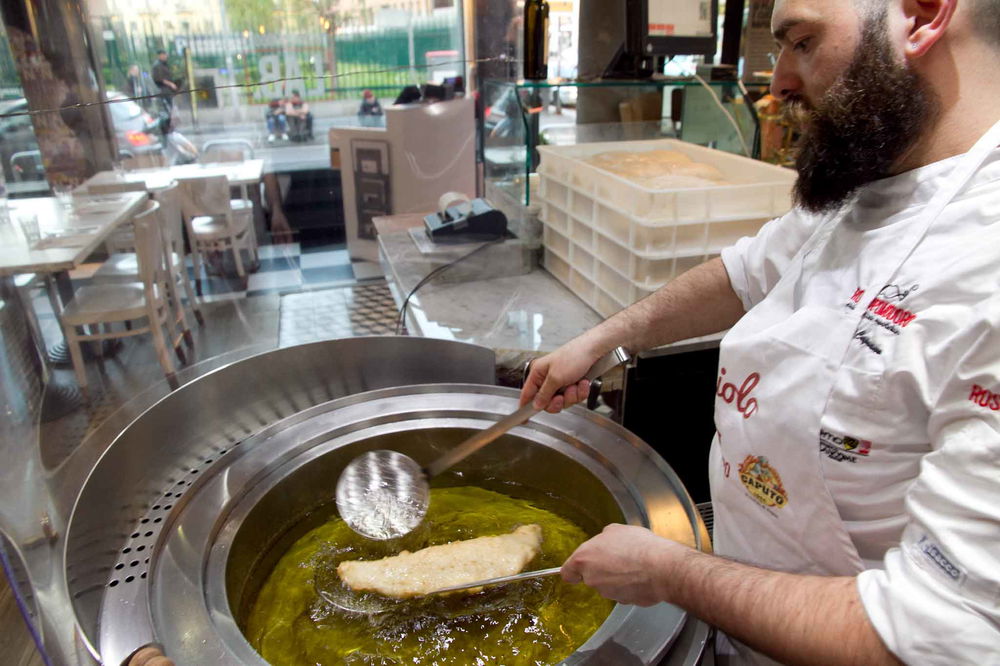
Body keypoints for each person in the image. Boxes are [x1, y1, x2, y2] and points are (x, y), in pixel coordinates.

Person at [520, 0, 1000, 664]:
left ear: (920, 16)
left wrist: (674, 573)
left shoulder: (986, 270)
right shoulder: (881, 177)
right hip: (743, 623)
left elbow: (941, 630)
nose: (776, 84)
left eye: (802, 41)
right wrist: (606, 339)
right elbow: (748, 270)